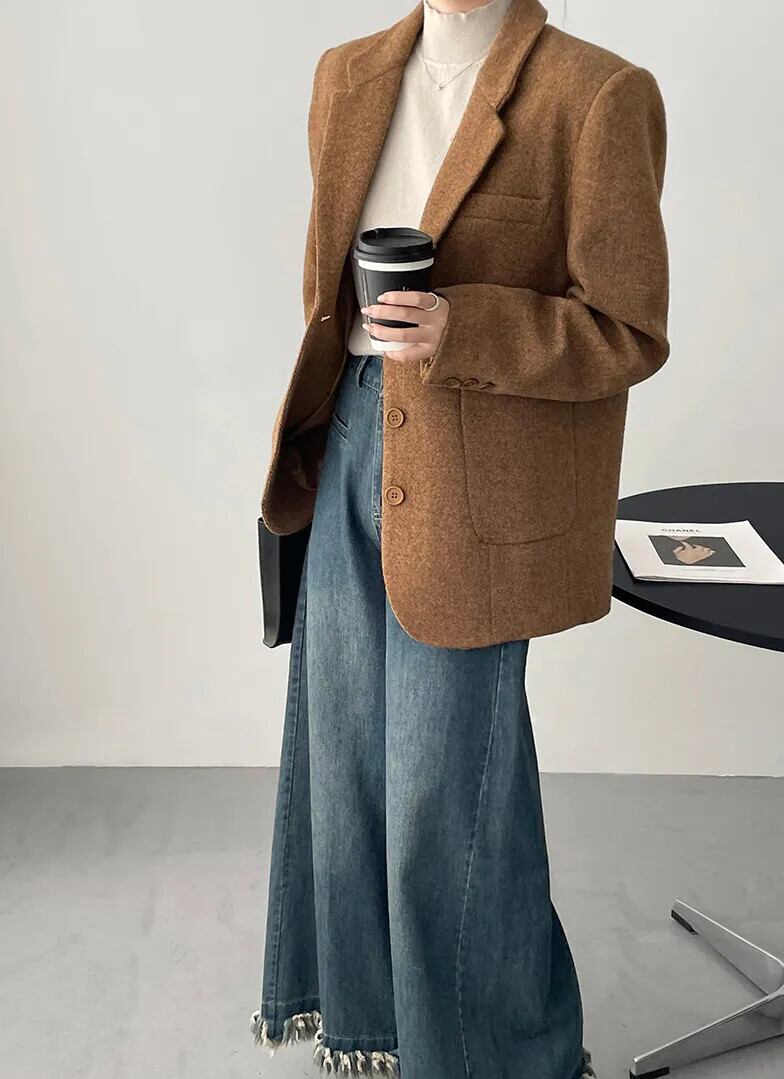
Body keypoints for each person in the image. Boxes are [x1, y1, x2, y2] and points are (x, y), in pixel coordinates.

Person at [252, 0, 670, 1076]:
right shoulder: (346, 74)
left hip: (478, 479)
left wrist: (462, 323)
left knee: (448, 790)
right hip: (348, 441)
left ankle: (512, 1056)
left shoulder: (596, 92)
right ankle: (376, 1031)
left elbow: (628, 329)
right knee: (343, 762)